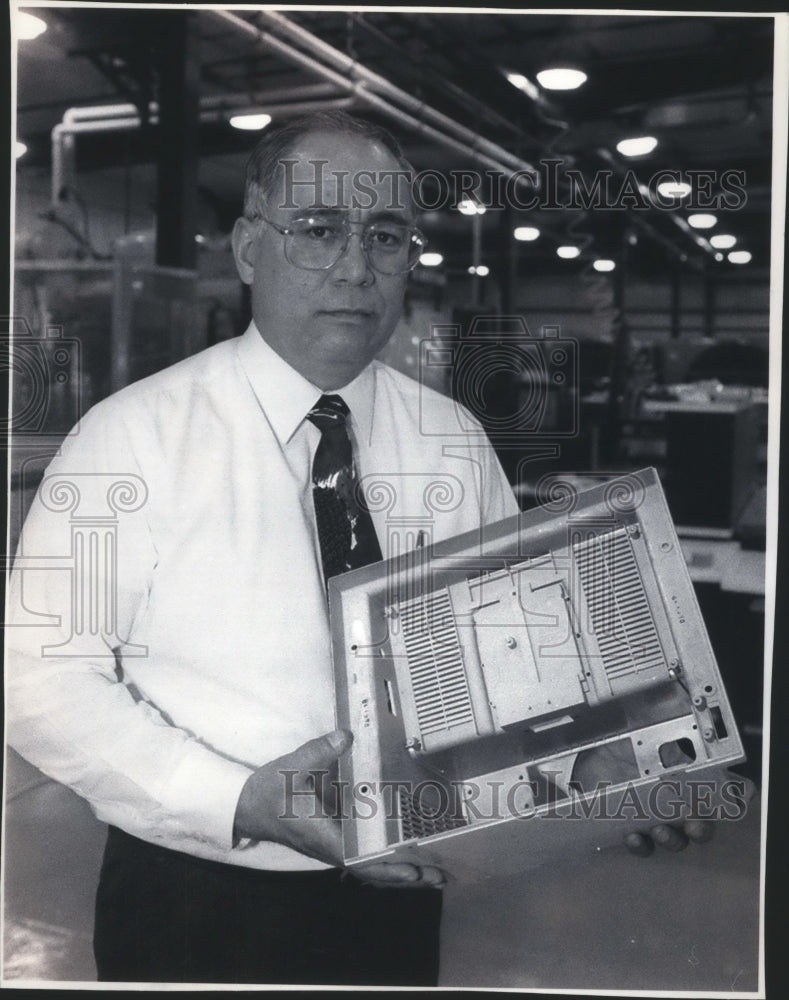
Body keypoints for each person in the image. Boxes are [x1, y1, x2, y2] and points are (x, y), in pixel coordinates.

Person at [5, 111, 520, 986]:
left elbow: (507, 648)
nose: (354, 269)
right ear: (249, 249)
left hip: (397, 895)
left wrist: (610, 767)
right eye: (318, 231)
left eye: (384, 236)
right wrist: (239, 799)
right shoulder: (132, 439)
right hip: (195, 899)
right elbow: (37, 677)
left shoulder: (454, 440)